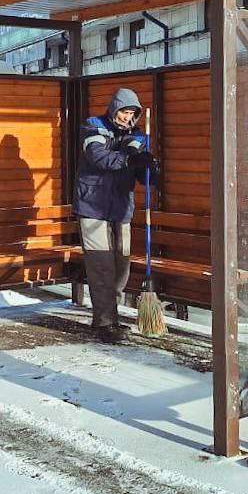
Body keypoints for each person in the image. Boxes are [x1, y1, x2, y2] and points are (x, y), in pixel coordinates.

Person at [74, 88, 158, 344]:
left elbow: (142, 176)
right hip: (92, 206)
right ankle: (105, 322)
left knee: (121, 266)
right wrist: (130, 160)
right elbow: (98, 157)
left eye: (131, 113)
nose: (126, 117)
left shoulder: (138, 136)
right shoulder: (93, 126)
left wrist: (150, 168)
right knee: (101, 265)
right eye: (123, 111)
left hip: (121, 209)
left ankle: (112, 315)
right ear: (114, 109)